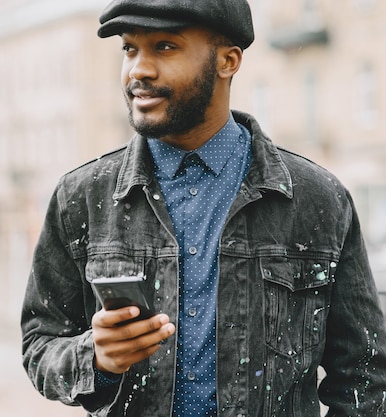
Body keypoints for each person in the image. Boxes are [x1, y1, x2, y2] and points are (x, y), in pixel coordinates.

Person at [20, 0, 386, 416]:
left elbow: (364, 373)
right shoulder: (80, 197)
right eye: (129, 49)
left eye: (164, 47)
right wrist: (96, 358)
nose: (138, 70)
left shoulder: (318, 199)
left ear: (228, 61)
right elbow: (39, 346)